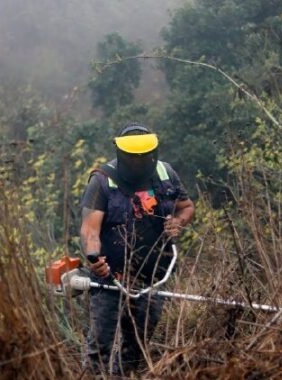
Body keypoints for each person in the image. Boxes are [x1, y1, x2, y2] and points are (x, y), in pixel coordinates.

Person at [79, 123, 195, 375]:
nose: (138, 162)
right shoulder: (102, 180)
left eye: (144, 156)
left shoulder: (166, 173)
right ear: (121, 152)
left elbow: (186, 207)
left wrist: (178, 222)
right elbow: (90, 230)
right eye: (133, 156)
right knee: (100, 347)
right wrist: (94, 258)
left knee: (138, 346)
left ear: (153, 152)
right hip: (110, 278)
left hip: (153, 276)